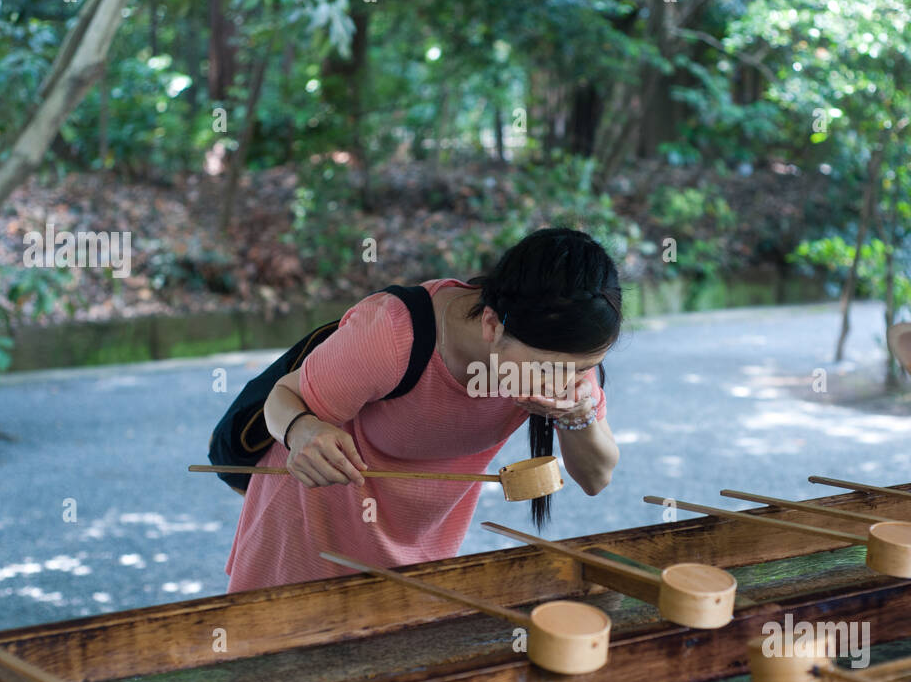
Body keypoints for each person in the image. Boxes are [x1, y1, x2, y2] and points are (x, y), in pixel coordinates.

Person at [224, 226, 622, 593]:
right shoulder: (393, 336)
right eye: (545, 369)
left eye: (583, 368)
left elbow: (595, 478)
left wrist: (576, 417)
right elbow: (281, 398)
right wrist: (300, 431)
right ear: (491, 325)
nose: (561, 382)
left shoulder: (566, 361)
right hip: (307, 534)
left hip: (418, 551)